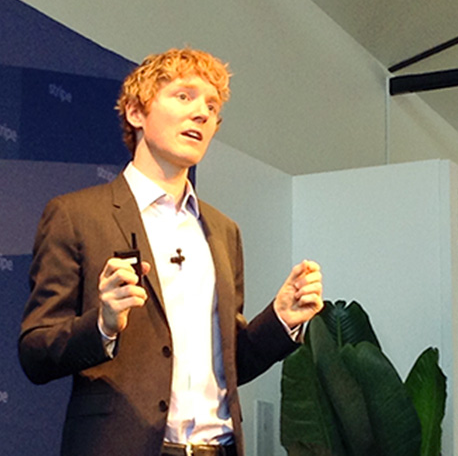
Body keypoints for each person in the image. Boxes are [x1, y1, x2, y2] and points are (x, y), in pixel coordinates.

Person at [18, 47, 324, 456]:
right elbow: (36, 352)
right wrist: (104, 324)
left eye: (212, 106)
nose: (201, 113)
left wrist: (281, 319)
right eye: (184, 96)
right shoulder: (76, 215)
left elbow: (231, 363)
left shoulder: (223, 231)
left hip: (219, 447)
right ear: (136, 113)